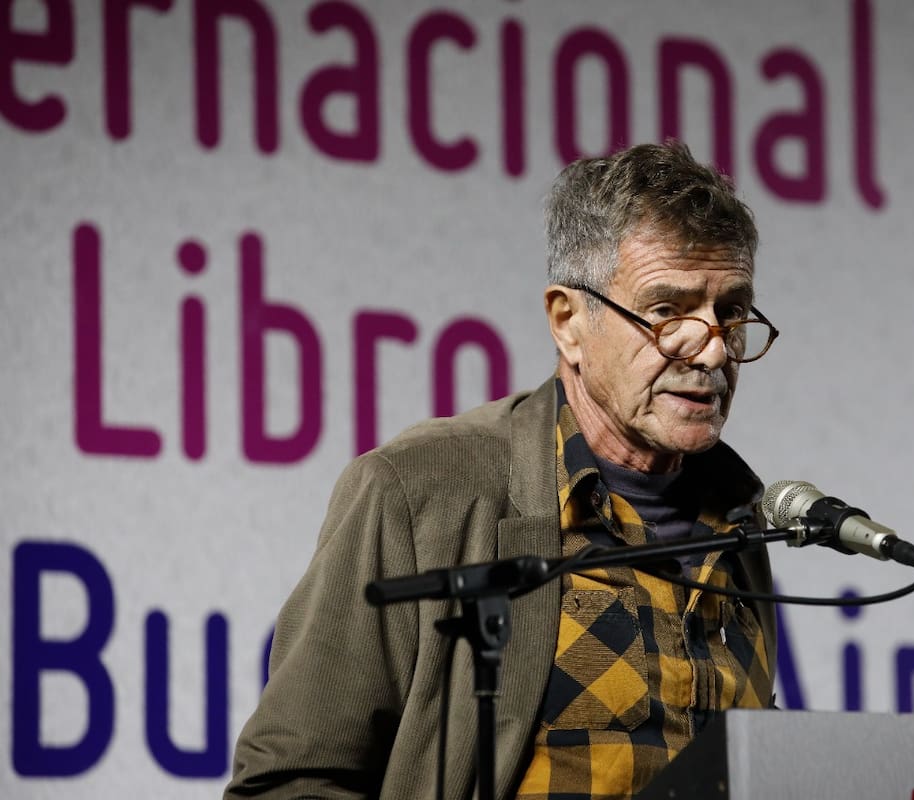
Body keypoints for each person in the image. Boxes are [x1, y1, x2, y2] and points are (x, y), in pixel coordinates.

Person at [225, 141, 781, 800]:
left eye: (731, 312)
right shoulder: (418, 492)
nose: (712, 347)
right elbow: (288, 783)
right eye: (666, 310)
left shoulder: (742, 520)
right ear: (568, 322)